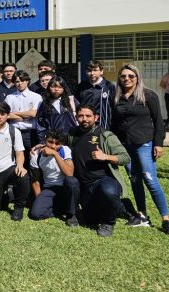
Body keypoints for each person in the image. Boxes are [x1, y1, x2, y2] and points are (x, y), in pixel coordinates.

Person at [112, 64, 168, 232]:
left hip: (144, 143)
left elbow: (159, 121)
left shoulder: (148, 95)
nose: (127, 79)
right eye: (123, 76)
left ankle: (166, 219)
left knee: (150, 179)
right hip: (125, 145)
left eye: (131, 76)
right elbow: (115, 124)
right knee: (135, 180)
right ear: (119, 79)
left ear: (137, 77)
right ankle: (142, 215)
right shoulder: (117, 98)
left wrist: (158, 143)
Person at [65, 105, 130, 237]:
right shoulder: (72, 133)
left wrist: (106, 156)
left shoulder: (105, 135)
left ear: (96, 117)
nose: (84, 119)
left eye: (88, 116)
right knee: (90, 220)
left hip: (103, 180)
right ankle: (120, 207)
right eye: (81, 116)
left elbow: (125, 157)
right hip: (83, 184)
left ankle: (108, 222)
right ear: (76, 117)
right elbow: (59, 144)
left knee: (109, 191)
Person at [28, 128, 79, 226]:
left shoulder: (65, 150)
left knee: (72, 181)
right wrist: (40, 200)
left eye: (57, 143)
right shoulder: (36, 155)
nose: (53, 146)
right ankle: (63, 209)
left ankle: (71, 215)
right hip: (49, 188)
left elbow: (69, 174)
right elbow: (35, 181)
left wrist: (55, 154)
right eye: (50, 142)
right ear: (45, 139)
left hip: (66, 187)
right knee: (35, 214)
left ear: (62, 143)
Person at [5, 70, 42, 151]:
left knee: (31, 156)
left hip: (30, 133)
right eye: (17, 81)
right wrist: (24, 117)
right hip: (13, 131)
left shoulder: (36, 96)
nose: (20, 83)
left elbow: (33, 114)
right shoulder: (9, 97)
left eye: (22, 81)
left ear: (27, 81)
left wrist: (15, 113)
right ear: (14, 83)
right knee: (14, 155)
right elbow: (7, 115)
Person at [74, 60, 115, 130]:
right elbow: (77, 106)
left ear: (101, 71)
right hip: (86, 127)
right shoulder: (82, 86)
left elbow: (114, 108)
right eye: (89, 71)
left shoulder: (109, 86)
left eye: (95, 70)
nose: (92, 73)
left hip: (104, 127)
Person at [36, 76, 78, 141]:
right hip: (54, 140)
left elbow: (80, 115)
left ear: (63, 88)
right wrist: (42, 141)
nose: (56, 89)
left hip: (72, 137)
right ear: (49, 88)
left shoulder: (71, 100)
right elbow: (41, 124)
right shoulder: (45, 104)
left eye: (59, 87)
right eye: (53, 87)